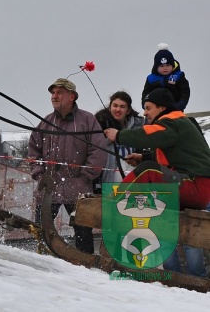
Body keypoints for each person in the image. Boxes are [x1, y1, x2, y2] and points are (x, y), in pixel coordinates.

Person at [105, 88, 210, 277]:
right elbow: (175, 154)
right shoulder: (177, 124)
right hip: (191, 185)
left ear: (162, 107)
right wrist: (142, 155)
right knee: (168, 230)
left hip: (195, 186)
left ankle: (112, 201)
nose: (145, 113)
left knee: (147, 169)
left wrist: (119, 135)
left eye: (148, 108)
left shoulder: (171, 122)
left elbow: (147, 135)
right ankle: (178, 277)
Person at [29, 78, 107, 254]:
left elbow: (98, 151)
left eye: (59, 92)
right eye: (53, 93)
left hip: (78, 189)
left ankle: (87, 269)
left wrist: (85, 177)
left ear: (72, 96)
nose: (54, 96)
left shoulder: (87, 120)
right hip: (49, 188)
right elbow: (33, 152)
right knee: (41, 232)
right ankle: (43, 265)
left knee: (83, 234)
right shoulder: (45, 122)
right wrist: (40, 176)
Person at [93, 91, 145, 188]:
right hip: (108, 180)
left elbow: (144, 147)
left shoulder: (139, 126)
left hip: (133, 179)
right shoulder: (99, 124)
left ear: (128, 110)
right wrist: (107, 139)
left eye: (122, 107)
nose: (118, 109)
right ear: (110, 107)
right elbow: (93, 148)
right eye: (115, 105)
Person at [142, 43, 190, 111]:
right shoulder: (151, 79)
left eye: (167, 65)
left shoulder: (179, 76)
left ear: (172, 65)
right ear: (156, 67)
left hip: (175, 109)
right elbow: (145, 93)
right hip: (155, 110)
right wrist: (145, 105)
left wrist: (181, 104)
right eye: (161, 66)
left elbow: (185, 92)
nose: (165, 68)